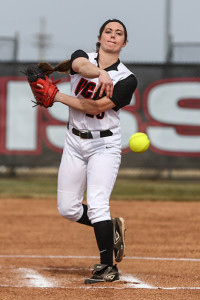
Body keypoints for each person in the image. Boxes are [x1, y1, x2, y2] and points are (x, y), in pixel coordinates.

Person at [38, 18, 137, 284]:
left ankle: (108, 268)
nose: (113, 36)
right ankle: (111, 227)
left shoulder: (127, 78)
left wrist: (56, 96)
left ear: (124, 43)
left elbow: (94, 108)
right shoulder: (82, 57)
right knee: (67, 209)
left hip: (103, 145)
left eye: (119, 34)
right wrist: (99, 73)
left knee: (97, 205)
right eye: (108, 31)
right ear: (100, 37)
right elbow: (80, 66)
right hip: (73, 142)